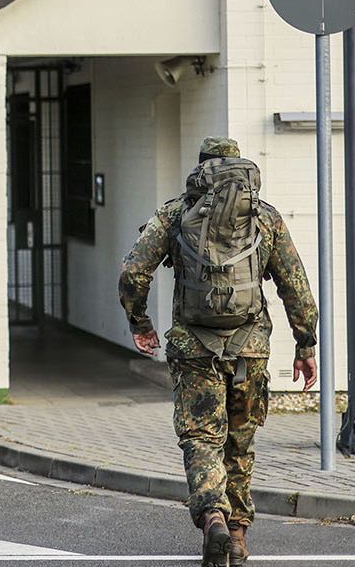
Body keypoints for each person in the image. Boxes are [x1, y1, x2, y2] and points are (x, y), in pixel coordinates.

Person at [119, 137, 317, 567]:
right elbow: (295, 286)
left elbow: (133, 272)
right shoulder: (265, 218)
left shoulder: (175, 214)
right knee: (241, 441)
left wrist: (141, 323)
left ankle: (214, 517)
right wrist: (305, 344)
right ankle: (241, 536)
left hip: (194, 348)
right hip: (251, 349)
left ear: (202, 169)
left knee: (202, 438)